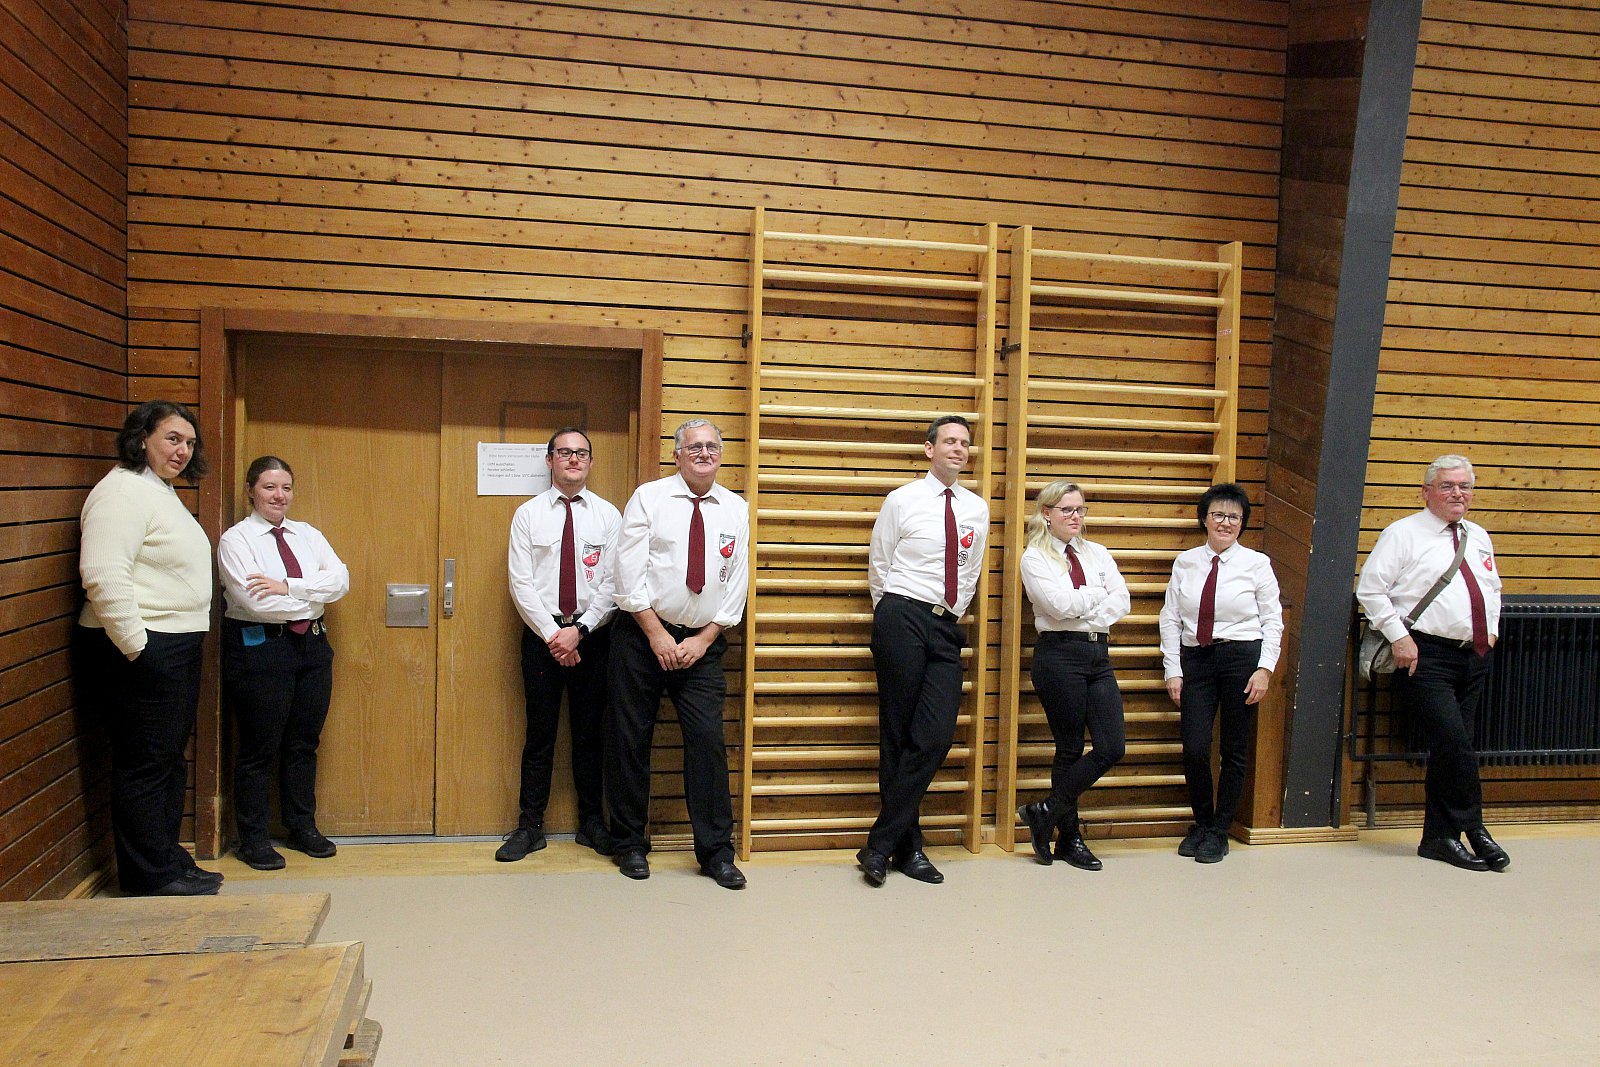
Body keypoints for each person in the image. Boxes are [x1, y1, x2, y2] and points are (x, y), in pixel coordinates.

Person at [76, 400, 220, 896]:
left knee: (166, 760)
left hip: (172, 644)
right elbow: (103, 574)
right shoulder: (121, 493)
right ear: (142, 438)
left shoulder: (157, 490)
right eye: (172, 439)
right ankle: (148, 877)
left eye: (190, 443)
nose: (183, 451)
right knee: (145, 763)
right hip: (140, 648)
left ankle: (167, 860)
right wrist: (138, 649)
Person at [608, 419, 749, 889]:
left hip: (701, 646)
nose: (704, 453)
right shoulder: (649, 498)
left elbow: (736, 585)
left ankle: (716, 854)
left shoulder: (735, 508)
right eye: (695, 447)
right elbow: (627, 575)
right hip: (641, 639)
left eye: (712, 446)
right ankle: (630, 844)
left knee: (707, 744)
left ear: (721, 454)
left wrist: (704, 639)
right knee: (630, 741)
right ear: (677, 455)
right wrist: (656, 635)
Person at [1357, 455, 1507, 872]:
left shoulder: (1478, 535)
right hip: (1424, 654)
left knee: (1451, 746)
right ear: (1426, 492)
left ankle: (1439, 838)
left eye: (1465, 486)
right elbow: (1370, 590)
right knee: (1455, 742)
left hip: (1474, 654)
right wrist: (1399, 638)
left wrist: (1491, 630)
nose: (1458, 493)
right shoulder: (1402, 533)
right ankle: (1474, 827)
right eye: (1447, 486)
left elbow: (1492, 588)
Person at [857, 415, 989, 886]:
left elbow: (971, 567)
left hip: (946, 625)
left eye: (964, 443)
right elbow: (880, 562)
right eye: (949, 441)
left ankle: (879, 844)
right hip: (902, 615)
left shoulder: (976, 508)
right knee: (897, 732)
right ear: (929, 449)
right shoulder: (903, 499)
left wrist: (952, 610)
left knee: (934, 735)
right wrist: (891, 612)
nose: (958, 448)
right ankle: (909, 849)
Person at [217, 456, 350, 871]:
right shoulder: (236, 540)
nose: (279, 496)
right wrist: (311, 595)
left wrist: (288, 586)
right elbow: (255, 601)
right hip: (261, 649)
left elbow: (341, 581)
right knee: (259, 746)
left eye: (286, 488)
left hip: (312, 646)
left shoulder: (307, 534)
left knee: (303, 742)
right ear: (251, 491)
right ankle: (253, 839)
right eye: (270, 487)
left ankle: (301, 827)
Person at [499, 427, 620, 862]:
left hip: (593, 638)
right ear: (549, 460)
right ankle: (530, 826)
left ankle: (591, 823)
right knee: (540, 734)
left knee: (590, 734)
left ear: (590, 462)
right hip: (542, 640)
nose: (573, 459)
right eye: (564, 452)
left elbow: (613, 583)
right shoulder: (528, 515)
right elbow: (521, 583)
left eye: (581, 453)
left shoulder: (608, 516)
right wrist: (555, 635)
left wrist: (580, 630)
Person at [1159, 482, 1282, 864]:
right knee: (1195, 747)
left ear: (1242, 523)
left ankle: (1219, 831)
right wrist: (1173, 669)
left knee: (1234, 749)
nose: (1225, 522)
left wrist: (1264, 669)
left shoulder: (1257, 564)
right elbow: (1170, 618)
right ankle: (1202, 822)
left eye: (1234, 517)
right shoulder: (1186, 562)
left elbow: (1273, 620)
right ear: (1204, 519)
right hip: (1196, 659)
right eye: (1218, 515)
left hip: (1240, 658)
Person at [1015, 480, 1130, 870]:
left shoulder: (1097, 552)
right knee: (1069, 748)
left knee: (1112, 747)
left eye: (1080, 509)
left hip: (1098, 654)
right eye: (1067, 509)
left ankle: (1045, 811)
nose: (1076, 516)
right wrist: (1095, 596)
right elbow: (1059, 606)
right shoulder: (1035, 557)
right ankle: (1070, 838)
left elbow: (1122, 600)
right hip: (1059, 655)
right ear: (1047, 513)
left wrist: (1085, 608)